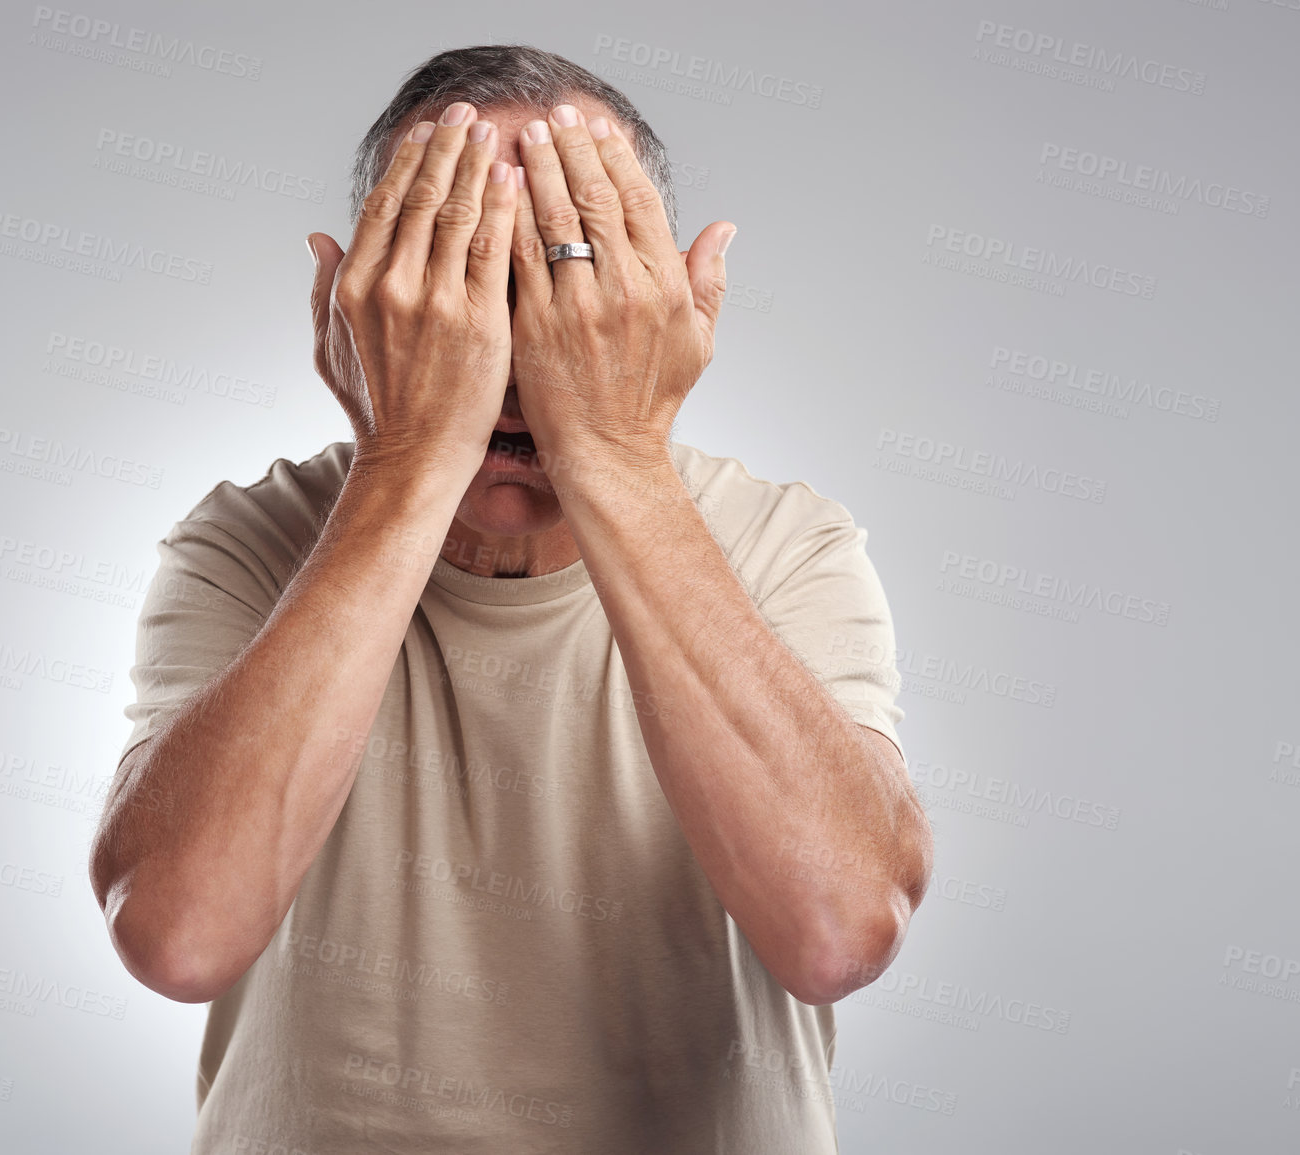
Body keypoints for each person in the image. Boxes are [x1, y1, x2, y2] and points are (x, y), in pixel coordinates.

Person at [89, 43, 932, 1155]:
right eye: (455, 269)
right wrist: (405, 458)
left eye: (573, 270)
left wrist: (621, 454)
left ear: (667, 303)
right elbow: (180, 939)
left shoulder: (788, 545)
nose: (515, 337)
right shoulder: (244, 543)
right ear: (348, 305)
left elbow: (836, 935)